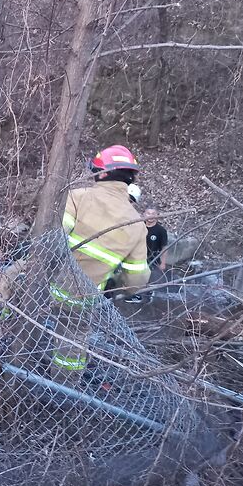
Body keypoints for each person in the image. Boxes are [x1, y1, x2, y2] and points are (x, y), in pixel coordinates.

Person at [53, 145, 151, 375]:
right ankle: (64, 391)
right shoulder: (137, 225)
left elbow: (51, 241)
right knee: (71, 348)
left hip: (43, 286)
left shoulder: (78, 197)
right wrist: (114, 277)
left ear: (101, 173)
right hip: (82, 300)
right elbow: (135, 283)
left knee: (9, 281)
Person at [143, 208, 168, 272]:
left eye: (153, 214)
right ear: (144, 214)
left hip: (153, 261)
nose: (151, 216)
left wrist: (163, 263)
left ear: (157, 215)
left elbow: (164, 248)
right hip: (137, 259)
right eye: (148, 213)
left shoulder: (161, 231)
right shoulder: (139, 227)